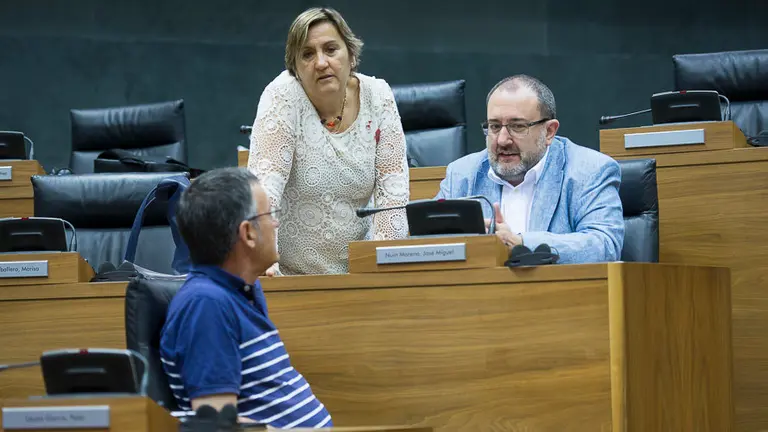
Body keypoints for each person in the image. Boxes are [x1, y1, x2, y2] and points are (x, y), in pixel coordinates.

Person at [159, 167, 332, 428]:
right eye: (269, 215)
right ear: (248, 233)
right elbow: (217, 424)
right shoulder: (206, 306)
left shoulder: (242, 290)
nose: (276, 223)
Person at [247, 7, 409, 276]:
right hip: (288, 277)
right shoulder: (282, 96)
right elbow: (264, 190)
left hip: (361, 274)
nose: (321, 62)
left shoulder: (378, 95)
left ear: (351, 54)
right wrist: (266, 259)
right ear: (295, 68)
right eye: (308, 54)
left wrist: (384, 269)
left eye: (331, 49)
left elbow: (393, 193)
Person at [436, 75, 624, 264]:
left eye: (517, 126)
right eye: (494, 126)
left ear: (549, 131)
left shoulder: (589, 171)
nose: (502, 140)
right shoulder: (462, 174)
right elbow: (430, 241)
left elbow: (604, 246)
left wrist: (520, 243)